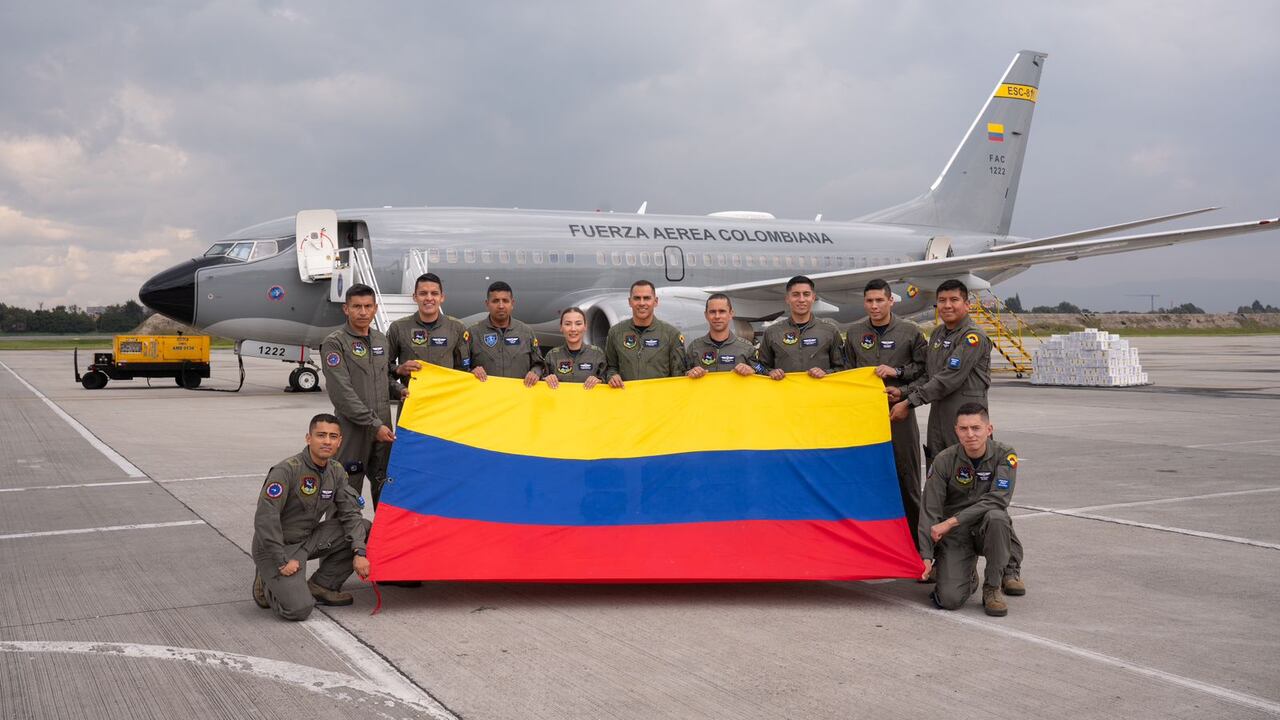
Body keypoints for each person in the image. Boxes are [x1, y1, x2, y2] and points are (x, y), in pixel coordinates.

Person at [888, 278, 1025, 594]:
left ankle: (1009, 568)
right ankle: (942, 560)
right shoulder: (937, 336)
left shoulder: (973, 337)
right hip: (940, 425)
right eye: (942, 301)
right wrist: (903, 391)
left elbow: (949, 378)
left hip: (968, 429)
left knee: (988, 502)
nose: (947, 306)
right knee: (942, 495)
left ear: (966, 303)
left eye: (954, 300)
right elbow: (928, 376)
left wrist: (910, 402)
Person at [251, 413, 372, 621]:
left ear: (339, 441)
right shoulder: (287, 470)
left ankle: (322, 585)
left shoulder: (335, 470)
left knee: (364, 526)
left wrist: (359, 551)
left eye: (333, 437)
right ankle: (267, 585)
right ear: (309, 438)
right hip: (279, 545)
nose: (327, 441)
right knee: (299, 610)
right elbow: (265, 518)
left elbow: (350, 513)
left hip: (308, 538)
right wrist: (281, 561)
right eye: (321, 435)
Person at [845, 279, 928, 547]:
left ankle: (919, 548)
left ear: (891, 301)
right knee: (864, 481)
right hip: (863, 419)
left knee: (907, 481)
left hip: (899, 415)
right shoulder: (855, 334)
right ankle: (871, 546)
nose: (874, 306)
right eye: (869, 301)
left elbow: (925, 372)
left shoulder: (910, 332)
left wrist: (899, 378)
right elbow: (845, 374)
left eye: (880, 300)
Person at [917, 403, 1019, 617]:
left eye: (976, 428)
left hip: (986, 527)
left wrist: (951, 522)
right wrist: (925, 555)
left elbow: (998, 499)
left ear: (988, 429)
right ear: (956, 431)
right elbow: (930, 509)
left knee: (997, 517)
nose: (970, 434)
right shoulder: (944, 460)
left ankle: (993, 587)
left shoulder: (1005, 455)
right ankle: (968, 575)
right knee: (949, 600)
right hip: (957, 536)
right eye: (963, 429)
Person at [320, 284, 400, 508]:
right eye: (357, 307)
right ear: (346, 309)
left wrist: (400, 390)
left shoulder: (381, 340)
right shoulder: (335, 343)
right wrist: (374, 424)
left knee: (385, 491)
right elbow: (341, 393)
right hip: (354, 430)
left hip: (383, 430)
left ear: (375, 309)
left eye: (367, 306)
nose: (363, 312)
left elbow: (384, 379)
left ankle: (381, 542)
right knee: (346, 492)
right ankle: (341, 543)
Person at [386, 273, 471, 390]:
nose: (429, 298)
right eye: (423, 293)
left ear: (442, 297)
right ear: (414, 297)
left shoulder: (456, 328)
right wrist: (399, 374)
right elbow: (383, 368)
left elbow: (463, 370)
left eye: (434, 293)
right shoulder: (398, 328)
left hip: (445, 402)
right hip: (412, 402)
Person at [757, 275, 846, 380]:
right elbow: (760, 367)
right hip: (785, 394)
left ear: (813, 298)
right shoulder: (772, 332)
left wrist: (826, 372)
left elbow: (843, 367)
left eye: (806, 294)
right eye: (795, 295)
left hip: (820, 394)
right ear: (787, 299)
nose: (801, 299)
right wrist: (770, 372)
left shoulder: (830, 331)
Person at [604, 280, 687, 387]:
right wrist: (612, 376)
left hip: (659, 400)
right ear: (630, 301)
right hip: (627, 400)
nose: (642, 303)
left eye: (647, 298)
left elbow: (679, 375)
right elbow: (610, 367)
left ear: (655, 301)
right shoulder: (616, 333)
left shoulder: (671, 334)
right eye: (637, 298)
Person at [466, 281, 544, 386]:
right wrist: (471, 371)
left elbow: (539, 365)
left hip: (519, 398)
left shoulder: (526, 332)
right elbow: (461, 367)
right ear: (487, 304)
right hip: (486, 399)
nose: (501, 306)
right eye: (495, 301)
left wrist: (535, 373)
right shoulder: (473, 333)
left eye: (505, 301)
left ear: (512, 304)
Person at [684, 293, 764, 378]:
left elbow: (762, 369)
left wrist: (752, 370)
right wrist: (689, 373)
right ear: (706, 315)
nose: (717, 316)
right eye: (712, 312)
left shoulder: (746, 348)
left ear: (731, 314)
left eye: (722, 311)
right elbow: (680, 374)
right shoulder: (694, 348)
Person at [542, 307, 607, 388]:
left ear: (585, 326)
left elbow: (608, 380)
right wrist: (546, 380)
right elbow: (541, 384)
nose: (573, 329)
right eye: (568, 324)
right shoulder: (552, 356)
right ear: (561, 327)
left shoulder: (597, 354)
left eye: (578, 324)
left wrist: (600, 381)